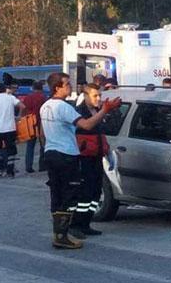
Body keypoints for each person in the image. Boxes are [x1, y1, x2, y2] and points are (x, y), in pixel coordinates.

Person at [41, 72, 121, 249]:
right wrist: (105, 110)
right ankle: (63, 235)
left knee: (58, 194)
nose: (70, 87)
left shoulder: (45, 106)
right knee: (69, 195)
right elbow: (86, 125)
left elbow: (42, 133)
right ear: (57, 88)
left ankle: (60, 234)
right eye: (67, 84)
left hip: (52, 153)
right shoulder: (64, 107)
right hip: (66, 155)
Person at [73, 83, 110, 238]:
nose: (98, 98)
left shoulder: (97, 110)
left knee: (96, 192)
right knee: (85, 193)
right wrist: (103, 111)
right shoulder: (78, 112)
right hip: (84, 158)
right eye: (95, 95)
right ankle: (76, 224)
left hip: (97, 156)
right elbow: (87, 127)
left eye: (99, 95)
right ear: (86, 96)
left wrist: (109, 112)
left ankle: (87, 223)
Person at [0, 83, 26, 178]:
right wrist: (18, 116)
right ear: (5, 89)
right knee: (11, 150)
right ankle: (10, 172)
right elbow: (22, 106)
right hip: (10, 128)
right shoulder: (11, 98)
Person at [21, 81, 48, 173]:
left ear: (33, 88)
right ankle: (42, 165)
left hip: (30, 124)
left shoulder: (28, 98)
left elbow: (23, 110)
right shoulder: (43, 97)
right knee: (43, 144)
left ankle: (28, 166)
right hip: (41, 123)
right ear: (41, 88)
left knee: (30, 146)